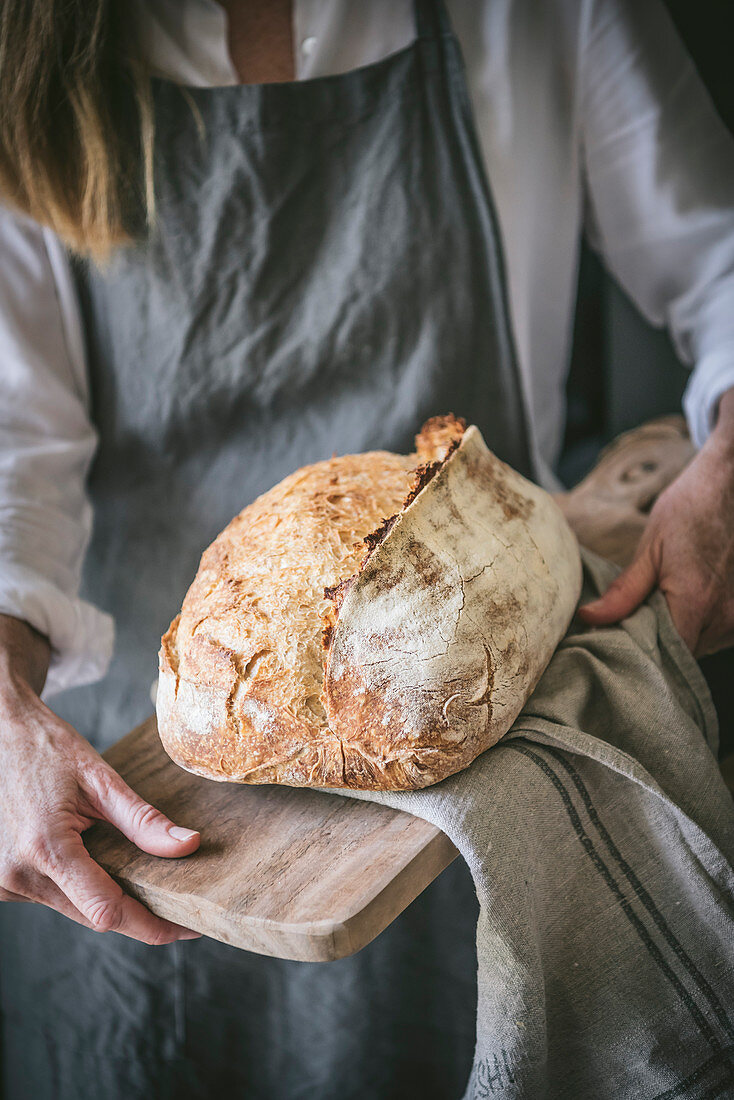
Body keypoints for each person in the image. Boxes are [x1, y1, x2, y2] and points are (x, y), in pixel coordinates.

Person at [0, 1, 732, 1097]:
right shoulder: (26, 50)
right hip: (127, 791)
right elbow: (11, 445)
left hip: (481, 763)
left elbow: (718, 258)